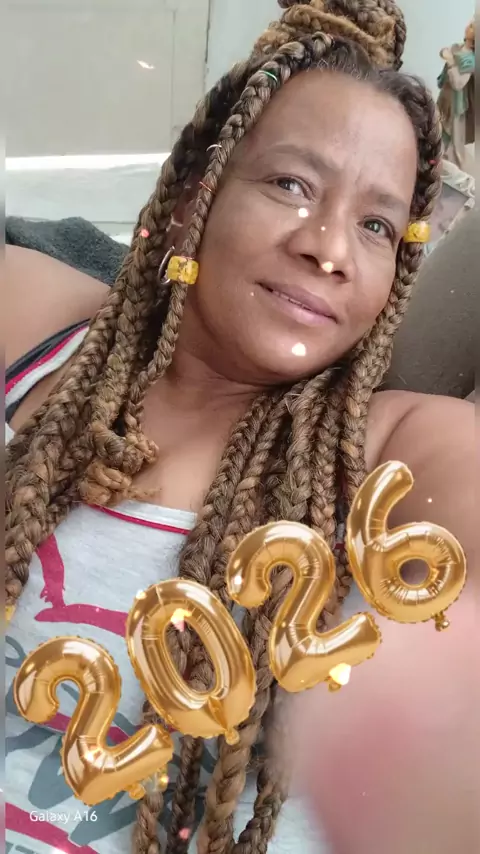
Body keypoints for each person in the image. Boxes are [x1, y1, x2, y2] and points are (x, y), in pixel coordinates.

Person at [5, 2, 475, 854]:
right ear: (198, 194)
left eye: (375, 225)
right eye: (292, 185)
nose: (329, 248)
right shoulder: (38, 324)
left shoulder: (395, 453)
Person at [437, 19, 475, 171]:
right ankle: (435, 163)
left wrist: (451, 62)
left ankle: (456, 174)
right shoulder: (456, 48)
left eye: (473, 26)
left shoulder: (471, 60)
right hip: (444, 100)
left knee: (456, 147)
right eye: (471, 24)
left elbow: (458, 83)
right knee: (438, 132)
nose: (469, 26)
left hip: (457, 109)